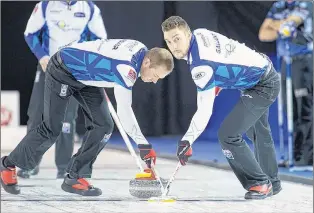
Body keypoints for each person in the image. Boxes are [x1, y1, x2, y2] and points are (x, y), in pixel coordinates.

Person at [0, 38, 174, 196]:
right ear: (147, 62)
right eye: (156, 75)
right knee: (52, 128)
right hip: (63, 69)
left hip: (87, 76)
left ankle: (74, 177)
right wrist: (143, 144)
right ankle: (7, 164)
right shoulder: (127, 69)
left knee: (104, 125)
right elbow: (124, 111)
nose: (155, 81)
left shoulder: (142, 47)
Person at [161, 16, 282, 200]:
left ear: (187, 34)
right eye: (168, 41)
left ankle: (259, 183)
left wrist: (187, 140)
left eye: (177, 38)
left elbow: (204, 110)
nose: (173, 46)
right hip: (259, 73)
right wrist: (217, 82)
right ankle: (272, 182)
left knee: (228, 135)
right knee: (258, 132)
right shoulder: (200, 33)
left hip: (263, 84)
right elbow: (226, 53)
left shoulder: (200, 65)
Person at [21, 0, 108, 179]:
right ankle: (28, 163)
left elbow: (101, 40)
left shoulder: (89, 8)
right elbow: (29, 34)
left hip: (73, 71)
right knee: (37, 115)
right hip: (48, 66)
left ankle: (63, 167)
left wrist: (87, 61)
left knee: (67, 120)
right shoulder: (45, 5)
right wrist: (42, 56)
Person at [259, 0, 313, 168]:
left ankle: (306, 157)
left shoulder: (306, 3)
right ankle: (293, 155)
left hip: (303, 61)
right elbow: (263, 34)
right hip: (285, 61)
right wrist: (281, 26)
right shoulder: (279, 6)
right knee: (289, 110)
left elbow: (289, 25)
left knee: (303, 109)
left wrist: (275, 25)